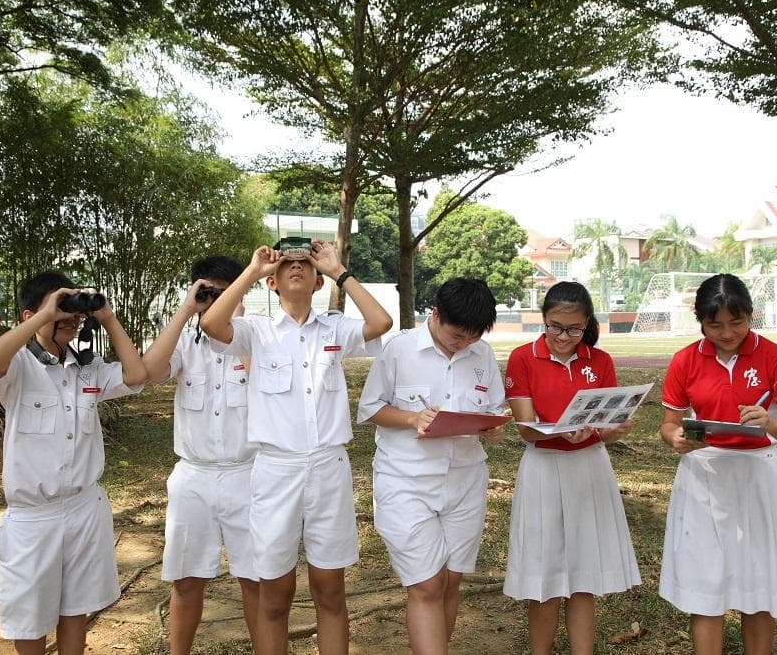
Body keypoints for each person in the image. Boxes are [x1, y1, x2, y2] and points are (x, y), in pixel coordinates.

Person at [199, 240, 392, 655]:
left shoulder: (334, 329)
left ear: (319, 281)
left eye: (306, 263)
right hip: (275, 471)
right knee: (274, 594)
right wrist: (252, 271)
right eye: (286, 263)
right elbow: (212, 324)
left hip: (328, 468)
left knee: (330, 590)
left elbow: (380, 322)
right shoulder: (256, 332)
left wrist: (339, 271)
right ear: (272, 281)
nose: (296, 267)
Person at [0, 271, 146, 655]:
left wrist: (107, 317)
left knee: (75, 609)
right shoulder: (18, 368)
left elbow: (136, 375)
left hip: (85, 508)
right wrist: (46, 314)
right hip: (33, 517)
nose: (70, 317)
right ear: (29, 316)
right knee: (30, 617)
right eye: (60, 307)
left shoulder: (87, 368)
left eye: (73, 309)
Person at [658, 273, 777, 655]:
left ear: (751, 315)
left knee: (759, 583)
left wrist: (770, 423)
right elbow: (669, 423)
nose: (727, 333)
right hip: (705, 474)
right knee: (705, 582)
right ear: (700, 320)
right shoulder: (685, 360)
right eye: (715, 325)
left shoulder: (775, 358)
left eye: (737, 322)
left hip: (761, 475)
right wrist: (675, 437)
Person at [356, 277, 506, 655]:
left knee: (450, 582)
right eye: (457, 335)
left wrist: (492, 427)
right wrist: (411, 419)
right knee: (426, 584)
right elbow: (371, 408)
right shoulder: (400, 349)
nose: (463, 343)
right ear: (436, 314)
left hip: (465, 479)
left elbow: (493, 410)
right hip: (405, 480)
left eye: (473, 337)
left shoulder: (482, 354)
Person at [503, 281, 640, 655]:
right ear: (544, 320)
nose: (564, 337)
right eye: (556, 327)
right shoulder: (523, 358)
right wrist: (561, 430)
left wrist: (614, 431)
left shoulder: (600, 361)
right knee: (544, 577)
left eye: (574, 329)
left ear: (587, 324)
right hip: (543, 469)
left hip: (589, 468)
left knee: (584, 576)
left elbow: (605, 429)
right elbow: (526, 428)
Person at [141, 255, 260, 654]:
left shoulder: (259, 338)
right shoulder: (184, 345)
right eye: (208, 293)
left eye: (226, 293)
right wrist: (186, 310)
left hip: (249, 473)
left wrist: (235, 320)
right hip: (194, 477)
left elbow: (266, 381)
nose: (216, 301)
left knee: (257, 580)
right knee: (187, 580)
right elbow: (151, 371)